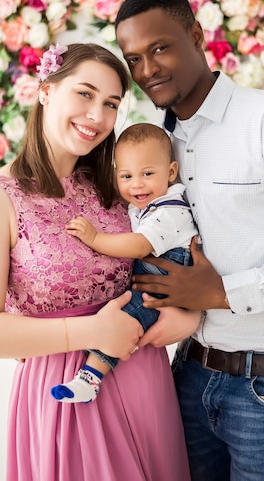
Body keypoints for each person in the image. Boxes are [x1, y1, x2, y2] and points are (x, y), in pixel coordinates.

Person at [113, 0, 264, 481]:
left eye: (160, 48)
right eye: (134, 58)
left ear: (196, 36)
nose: (148, 70)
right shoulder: (157, 145)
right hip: (187, 370)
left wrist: (225, 292)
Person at [0, 42, 196, 481]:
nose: (97, 116)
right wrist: (91, 330)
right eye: (85, 94)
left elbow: (180, 244)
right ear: (46, 90)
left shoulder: (119, 185)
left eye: (110, 104)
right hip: (66, 392)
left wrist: (189, 314)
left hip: (144, 378)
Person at [50, 122, 198, 403]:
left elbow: (139, 245)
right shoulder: (143, 206)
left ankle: (90, 379)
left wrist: (94, 238)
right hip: (150, 280)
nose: (136, 184)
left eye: (147, 174)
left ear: (171, 172)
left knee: (124, 321)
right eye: (126, 175)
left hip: (162, 289)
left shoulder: (170, 211)